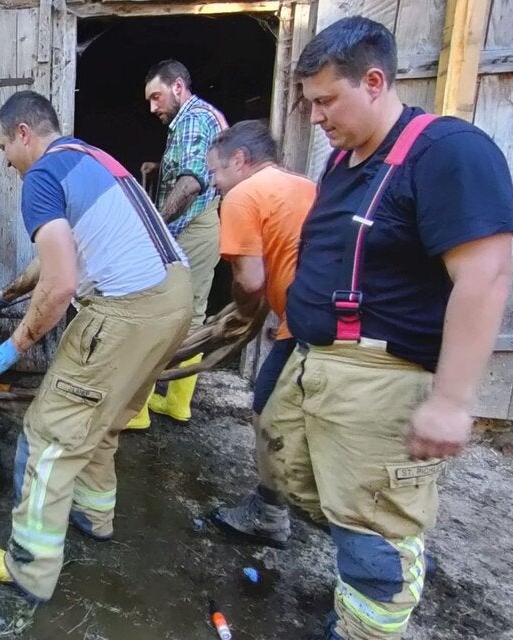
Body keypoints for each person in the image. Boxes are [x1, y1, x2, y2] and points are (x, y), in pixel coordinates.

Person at [261, 17, 513, 639]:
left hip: (380, 375)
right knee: (298, 475)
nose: (314, 117)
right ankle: (357, 579)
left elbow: (486, 276)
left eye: (326, 100)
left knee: (375, 531)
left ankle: (368, 620)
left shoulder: (446, 152)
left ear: (374, 82)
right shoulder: (345, 162)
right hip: (316, 359)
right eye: (309, 102)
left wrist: (453, 402)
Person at [0, 90, 194, 602]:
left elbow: (59, 286)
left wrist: (12, 346)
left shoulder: (42, 178)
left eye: (4, 147)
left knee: (49, 433)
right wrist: (6, 294)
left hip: (125, 309)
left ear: (23, 134)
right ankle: (94, 515)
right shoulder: (94, 159)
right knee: (105, 416)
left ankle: (28, 567)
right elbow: (59, 257)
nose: (7, 162)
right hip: (173, 298)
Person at [200, 120, 316, 548]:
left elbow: (250, 282)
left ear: (240, 160)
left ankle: (271, 514)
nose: (213, 183)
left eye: (215, 172)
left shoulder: (243, 195)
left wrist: (244, 312)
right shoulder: (304, 185)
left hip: (306, 326)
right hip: (318, 318)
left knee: (266, 410)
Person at [127, 59, 229, 428]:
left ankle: (135, 411)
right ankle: (176, 404)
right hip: (205, 225)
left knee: (155, 312)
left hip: (191, 229)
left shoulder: (191, 119)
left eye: (157, 97)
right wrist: (160, 167)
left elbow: (191, 183)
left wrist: (154, 222)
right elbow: (195, 168)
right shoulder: (203, 116)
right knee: (193, 315)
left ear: (178, 87)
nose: (153, 107)